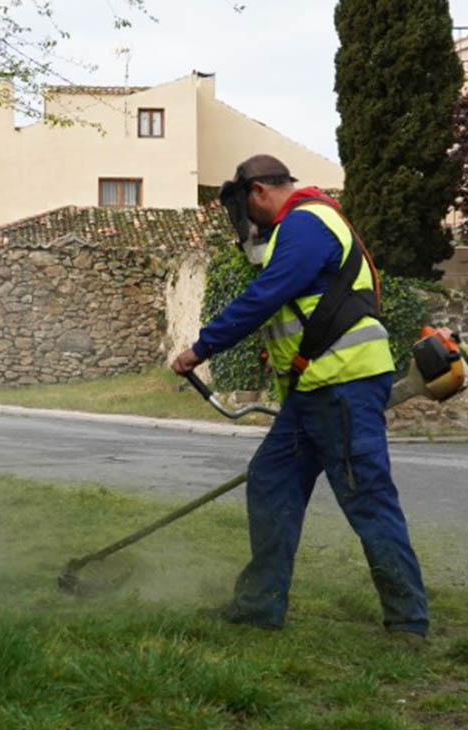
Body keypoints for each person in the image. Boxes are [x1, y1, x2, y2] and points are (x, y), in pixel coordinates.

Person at [171, 154, 429, 640]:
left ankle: (408, 622)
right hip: (312, 392)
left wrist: (201, 348)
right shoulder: (300, 228)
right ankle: (259, 607)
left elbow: (267, 294)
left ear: (259, 192)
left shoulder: (307, 223)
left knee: (368, 500)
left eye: (246, 210)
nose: (247, 224)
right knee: (270, 483)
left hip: (343, 386)